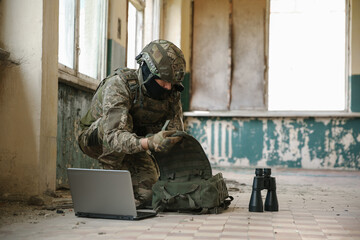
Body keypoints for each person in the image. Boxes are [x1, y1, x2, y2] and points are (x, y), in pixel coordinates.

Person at [77, 39, 186, 208]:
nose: (167, 87)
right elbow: (113, 135)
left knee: (148, 195)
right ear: (147, 71)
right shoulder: (120, 84)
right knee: (122, 122)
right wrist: (148, 143)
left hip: (135, 144)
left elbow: (175, 134)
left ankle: (126, 191)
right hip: (96, 138)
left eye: (172, 83)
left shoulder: (171, 91)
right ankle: (108, 182)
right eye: (162, 81)